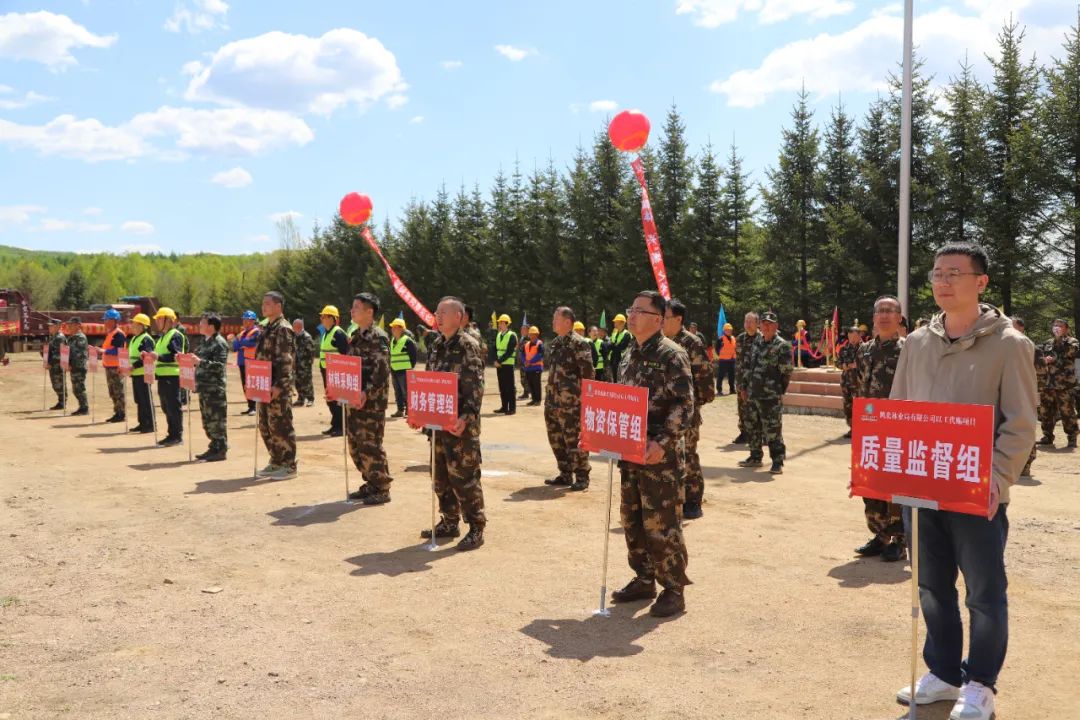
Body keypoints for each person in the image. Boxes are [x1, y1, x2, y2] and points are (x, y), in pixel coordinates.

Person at [891, 242, 1036, 720]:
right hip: (923, 488)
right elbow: (898, 412)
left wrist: (997, 478)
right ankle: (944, 672)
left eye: (954, 272)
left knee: (984, 593)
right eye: (936, 273)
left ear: (981, 282)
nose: (943, 281)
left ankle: (980, 683)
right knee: (931, 587)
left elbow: (1020, 423)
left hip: (978, 494)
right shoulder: (915, 342)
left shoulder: (1009, 344)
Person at [610, 291, 694, 618]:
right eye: (630, 309)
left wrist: (662, 442)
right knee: (633, 519)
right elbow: (620, 400)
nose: (631, 315)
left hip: (661, 456)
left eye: (639, 311)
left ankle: (673, 589)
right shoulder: (629, 353)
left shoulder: (672, 354)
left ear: (658, 320)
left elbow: (685, 405)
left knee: (662, 523)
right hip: (630, 451)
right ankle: (644, 578)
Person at [409, 296, 487, 551]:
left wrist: (467, 417)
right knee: (440, 476)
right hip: (438, 426)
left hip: (460, 428)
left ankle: (476, 527)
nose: (437, 315)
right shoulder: (436, 345)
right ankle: (449, 521)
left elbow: (475, 387)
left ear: (458, 316)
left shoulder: (468, 346)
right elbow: (430, 385)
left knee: (464, 477)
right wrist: (419, 415)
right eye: (436, 311)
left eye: (443, 312)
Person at [853, 297, 906, 562]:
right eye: (879, 311)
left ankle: (899, 539)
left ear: (899, 317)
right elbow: (858, 386)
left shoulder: (908, 350)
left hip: (898, 429)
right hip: (869, 428)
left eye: (890, 311)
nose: (884, 315)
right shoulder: (863, 350)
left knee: (896, 485)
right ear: (873, 317)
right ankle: (880, 534)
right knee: (870, 483)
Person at [663, 299, 715, 520]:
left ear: (678, 319)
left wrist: (694, 406)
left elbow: (705, 379)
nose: (662, 322)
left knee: (689, 455)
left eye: (665, 318)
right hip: (666, 411)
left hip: (688, 411)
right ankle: (676, 497)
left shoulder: (692, 343)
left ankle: (693, 501)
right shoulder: (662, 342)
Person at [344, 293, 395, 505]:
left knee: (371, 444)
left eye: (357, 307)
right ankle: (370, 482)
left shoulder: (378, 337)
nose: (352, 310)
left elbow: (381, 372)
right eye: (352, 306)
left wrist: (366, 392)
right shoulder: (355, 335)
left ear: (369, 311)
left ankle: (382, 487)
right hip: (354, 400)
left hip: (371, 402)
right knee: (355, 445)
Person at [543, 307, 594, 491]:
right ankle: (565, 473)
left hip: (571, 403)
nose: (553, 322)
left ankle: (582, 475)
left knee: (573, 440)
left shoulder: (580, 344)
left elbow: (588, 374)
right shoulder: (556, 343)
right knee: (556, 438)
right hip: (553, 400)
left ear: (567, 321)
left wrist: (586, 402)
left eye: (556, 318)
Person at [738, 311, 792, 474]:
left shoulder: (782, 345)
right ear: (760, 325)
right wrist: (744, 387)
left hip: (770, 396)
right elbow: (749, 366)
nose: (766, 327)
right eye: (764, 324)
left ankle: (777, 461)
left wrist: (778, 390)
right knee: (752, 426)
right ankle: (755, 456)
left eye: (770, 324)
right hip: (753, 393)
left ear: (776, 326)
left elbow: (786, 372)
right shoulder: (757, 342)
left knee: (773, 429)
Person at [254, 291, 297, 480]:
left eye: (268, 304)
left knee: (281, 425)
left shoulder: (283, 328)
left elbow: (286, 360)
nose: (264, 307)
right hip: (263, 384)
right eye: (263, 304)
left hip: (277, 386)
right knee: (265, 424)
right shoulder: (267, 327)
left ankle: (288, 465)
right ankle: (276, 460)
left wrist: (280, 384)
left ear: (278, 307)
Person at [191, 313, 229, 461]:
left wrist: (200, 362)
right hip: (204, 388)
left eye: (203, 322)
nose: (200, 324)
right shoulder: (205, 341)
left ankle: (220, 449)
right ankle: (214, 446)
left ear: (211, 326)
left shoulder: (219, 343)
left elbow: (220, 366)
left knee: (216, 421)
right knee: (207, 421)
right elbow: (197, 359)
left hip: (214, 388)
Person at [1036, 318, 1078, 449]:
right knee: (1046, 411)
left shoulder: (1072, 342)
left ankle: (1072, 438)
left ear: (1066, 328)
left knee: (1067, 412)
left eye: (1060, 326)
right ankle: (1047, 436)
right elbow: (1038, 355)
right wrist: (1044, 359)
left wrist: (1061, 344)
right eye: (1055, 325)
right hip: (1047, 383)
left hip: (1064, 385)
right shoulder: (1048, 343)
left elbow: (1073, 352)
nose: (1056, 328)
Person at [148, 307, 186, 446]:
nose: (157, 321)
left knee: (173, 406)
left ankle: (177, 435)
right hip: (163, 376)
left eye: (159, 318)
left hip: (172, 376)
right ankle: (171, 434)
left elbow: (175, 355)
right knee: (166, 406)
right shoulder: (162, 337)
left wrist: (158, 356)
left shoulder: (175, 335)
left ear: (169, 320)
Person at [318, 305, 350, 437]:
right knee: (330, 399)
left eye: (325, 316)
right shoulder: (326, 332)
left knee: (338, 400)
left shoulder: (338, 333)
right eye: (322, 316)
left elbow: (346, 354)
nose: (322, 318)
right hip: (327, 370)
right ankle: (335, 424)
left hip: (337, 373)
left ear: (333, 318)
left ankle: (342, 426)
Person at [1013, 317, 1039, 478]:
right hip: (1007, 393)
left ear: (1021, 328)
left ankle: (1026, 465)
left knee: (1024, 428)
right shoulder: (1002, 345)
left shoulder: (1027, 345)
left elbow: (1040, 369)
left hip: (1024, 393)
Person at [732, 311, 760, 445]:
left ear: (757, 323)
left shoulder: (762, 339)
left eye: (750, 321)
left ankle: (761, 434)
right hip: (741, 379)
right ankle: (744, 433)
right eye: (746, 321)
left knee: (757, 409)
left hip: (756, 381)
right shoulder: (740, 338)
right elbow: (739, 361)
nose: (747, 324)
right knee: (742, 407)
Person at [126, 314, 156, 434]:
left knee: (146, 399)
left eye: (134, 323)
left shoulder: (146, 339)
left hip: (143, 373)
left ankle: (150, 424)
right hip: (136, 373)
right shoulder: (134, 338)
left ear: (142, 326)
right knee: (139, 399)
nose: (132, 325)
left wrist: (133, 366)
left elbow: (147, 356)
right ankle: (142, 423)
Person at [231, 310, 262, 415]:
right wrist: (241, 343)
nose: (245, 322)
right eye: (244, 320)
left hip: (252, 362)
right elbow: (234, 346)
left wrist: (241, 342)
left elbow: (251, 343)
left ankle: (255, 407)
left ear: (253, 321)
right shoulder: (242, 333)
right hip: (242, 362)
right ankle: (250, 406)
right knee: (245, 385)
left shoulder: (256, 332)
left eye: (247, 320)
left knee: (253, 385)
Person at [99, 309, 127, 423]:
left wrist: (103, 351)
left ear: (114, 320)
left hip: (116, 368)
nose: (105, 322)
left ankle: (121, 414)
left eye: (106, 319)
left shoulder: (118, 334)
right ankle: (117, 412)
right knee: (113, 391)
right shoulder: (111, 333)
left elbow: (117, 351)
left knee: (118, 391)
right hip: (110, 367)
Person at [388, 317, 417, 418]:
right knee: (398, 391)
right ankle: (400, 410)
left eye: (394, 327)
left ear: (401, 328)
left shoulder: (408, 341)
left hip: (404, 371)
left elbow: (413, 356)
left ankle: (409, 411)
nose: (392, 329)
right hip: (394, 370)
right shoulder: (392, 341)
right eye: (392, 327)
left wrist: (409, 368)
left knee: (406, 391)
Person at [838, 326, 863, 439]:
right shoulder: (844, 349)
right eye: (849, 336)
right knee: (848, 406)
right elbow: (838, 363)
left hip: (859, 383)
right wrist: (845, 366)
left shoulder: (865, 348)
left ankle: (861, 429)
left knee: (860, 406)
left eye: (854, 336)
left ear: (859, 336)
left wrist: (850, 366)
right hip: (846, 382)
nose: (852, 339)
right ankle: (852, 428)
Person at [493, 314, 518, 415]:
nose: (500, 324)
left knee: (510, 387)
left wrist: (499, 361)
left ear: (507, 323)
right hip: (499, 365)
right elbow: (494, 349)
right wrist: (495, 360)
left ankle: (512, 408)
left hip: (508, 364)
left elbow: (510, 351)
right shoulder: (498, 335)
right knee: (502, 386)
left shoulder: (512, 335)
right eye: (499, 322)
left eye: (502, 322)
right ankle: (504, 407)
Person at [66, 317, 90, 416]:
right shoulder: (72, 337)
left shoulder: (80, 337)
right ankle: (82, 406)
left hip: (79, 366)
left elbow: (77, 353)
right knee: (76, 388)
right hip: (74, 366)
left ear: (78, 325)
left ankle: (84, 408)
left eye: (71, 325)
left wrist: (70, 363)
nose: (69, 327)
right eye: (69, 325)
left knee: (79, 388)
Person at [292, 318, 316, 408]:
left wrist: (309, 362)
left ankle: (310, 399)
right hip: (296, 363)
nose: (293, 327)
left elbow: (312, 352)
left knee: (307, 381)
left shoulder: (307, 337)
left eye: (294, 326)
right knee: (297, 381)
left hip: (305, 364)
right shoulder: (294, 336)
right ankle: (300, 399)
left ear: (299, 326)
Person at [46, 318, 67, 410]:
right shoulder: (53, 337)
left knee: (59, 383)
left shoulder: (60, 337)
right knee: (55, 383)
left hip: (58, 364)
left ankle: (62, 402)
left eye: (52, 325)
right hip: (53, 364)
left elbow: (60, 353)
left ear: (58, 326)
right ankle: (60, 401)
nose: (50, 327)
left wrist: (50, 362)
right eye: (49, 326)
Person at [522, 326, 544, 406]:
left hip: (536, 367)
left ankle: (538, 400)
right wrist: (525, 361)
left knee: (536, 384)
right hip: (528, 368)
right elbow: (522, 354)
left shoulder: (539, 343)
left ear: (537, 334)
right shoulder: (526, 344)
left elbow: (540, 355)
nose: (532, 336)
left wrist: (530, 362)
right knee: (530, 384)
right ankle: (533, 399)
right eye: (530, 334)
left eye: (533, 334)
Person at [714, 322, 737, 396]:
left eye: (730, 330)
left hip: (732, 360)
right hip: (723, 360)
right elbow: (717, 349)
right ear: (724, 331)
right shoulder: (720, 339)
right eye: (727, 330)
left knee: (732, 376)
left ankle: (732, 390)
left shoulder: (733, 338)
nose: (729, 331)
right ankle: (719, 390)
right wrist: (721, 354)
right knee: (720, 376)